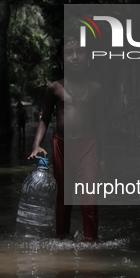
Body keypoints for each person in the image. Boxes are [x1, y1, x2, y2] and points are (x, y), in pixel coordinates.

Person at [28, 36, 105, 242]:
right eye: (69, 53)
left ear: (87, 57)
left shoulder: (96, 89)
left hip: (88, 147)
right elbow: (44, 119)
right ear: (62, 60)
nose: (75, 57)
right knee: (63, 200)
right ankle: (62, 239)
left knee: (89, 202)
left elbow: (100, 124)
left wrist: (104, 157)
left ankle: (91, 242)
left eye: (80, 51)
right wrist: (36, 145)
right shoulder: (54, 88)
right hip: (62, 147)